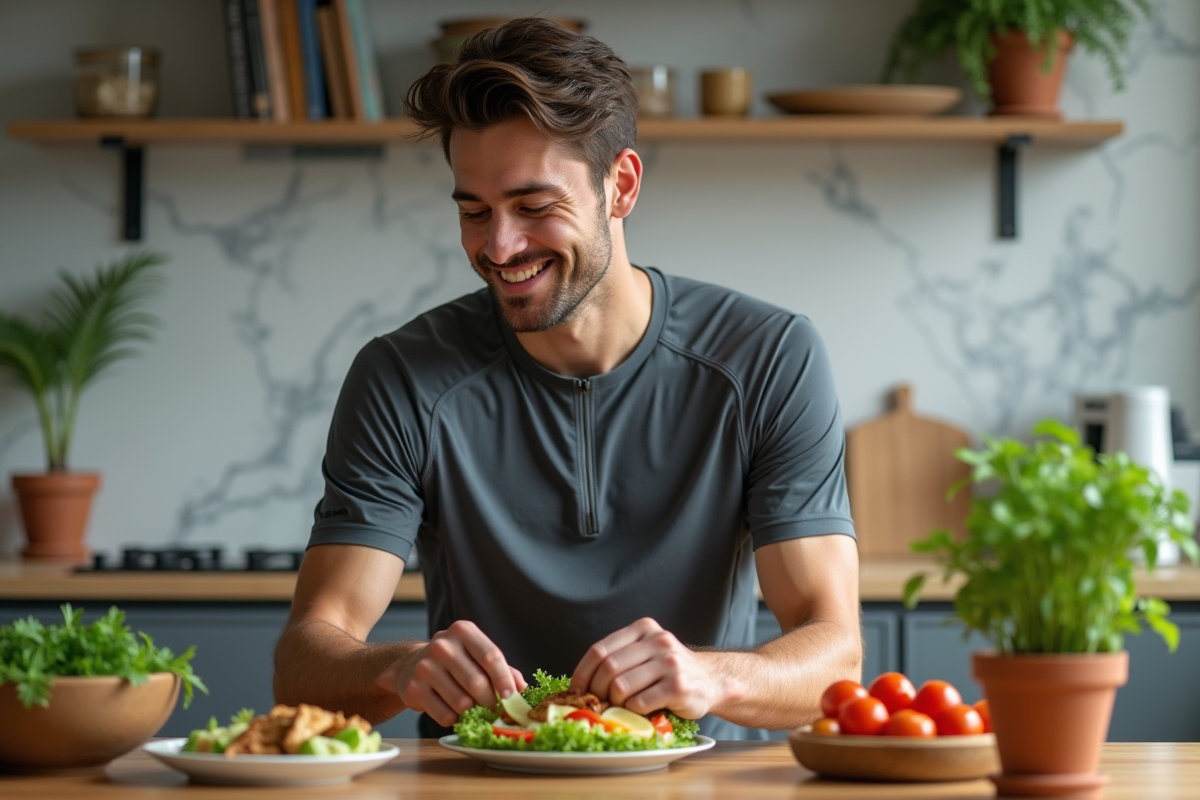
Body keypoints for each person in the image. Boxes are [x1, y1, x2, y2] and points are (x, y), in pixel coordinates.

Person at [274, 17, 861, 740]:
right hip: (477, 788)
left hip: (697, 785)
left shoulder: (768, 357)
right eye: (474, 212)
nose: (500, 246)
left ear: (621, 186)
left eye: (533, 206)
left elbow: (835, 655)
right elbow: (305, 659)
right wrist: (396, 670)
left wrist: (714, 675)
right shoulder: (401, 376)